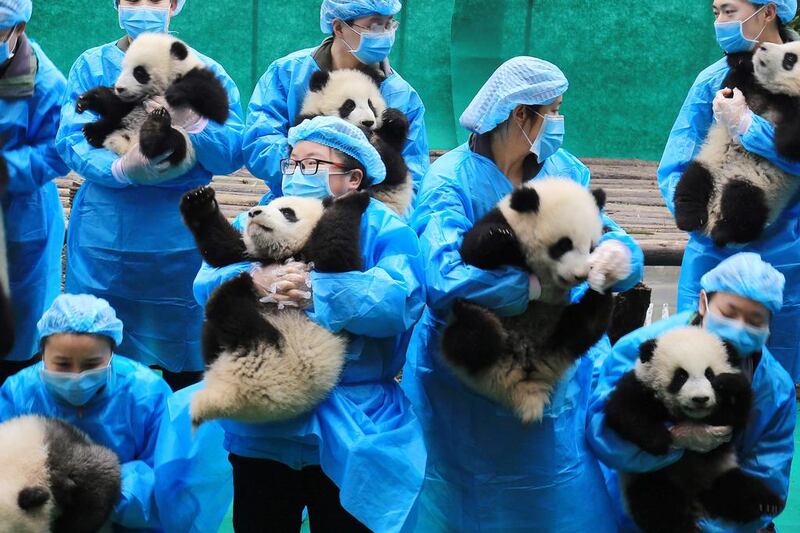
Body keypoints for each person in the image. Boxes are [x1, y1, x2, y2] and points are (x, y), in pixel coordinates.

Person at [400, 56, 644, 531]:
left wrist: (619, 256)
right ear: (520, 115)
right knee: (466, 497)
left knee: (561, 490)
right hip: (470, 376)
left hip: (560, 366)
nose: (559, 122)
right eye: (552, 110)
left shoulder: (562, 169)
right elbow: (443, 277)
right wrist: (529, 286)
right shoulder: (451, 180)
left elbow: (608, 231)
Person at [194, 116, 427, 532]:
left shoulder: (384, 228)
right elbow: (206, 280)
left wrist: (320, 292)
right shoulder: (265, 211)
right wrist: (251, 281)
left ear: (354, 177)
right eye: (291, 162)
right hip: (265, 422)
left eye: (312, 164)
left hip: (354, 419)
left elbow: (400, 300)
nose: (296, 174)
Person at [55, 0, 244, 391]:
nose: (144, 7)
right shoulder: (91, 65)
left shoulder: (203, 70)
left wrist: (195, 122)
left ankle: (177, 447)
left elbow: (230, 150)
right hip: (107, 236)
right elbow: (73, 138)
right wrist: (119, 168)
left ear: (175, 4)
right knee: (100, 360)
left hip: (182, 236)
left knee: (190, 364)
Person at [587, 253, 796, 532]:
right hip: (646, 491)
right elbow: (605, 436)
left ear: (770, 324)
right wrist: (673, 441)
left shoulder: (776, 387)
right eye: (729, 312)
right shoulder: (646, 349)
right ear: (703, 302)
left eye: (755, 320)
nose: (738, 327)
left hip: (717, 488)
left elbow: (768, 470)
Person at [658, 0, 800, 382]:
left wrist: (751, 130)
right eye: (716, 12)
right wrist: (699, 218)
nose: (720, 22)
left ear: (768, 11)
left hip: (786, 254)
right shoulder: (713, 79)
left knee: (774, 376)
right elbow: (677, 162)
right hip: (712, 250)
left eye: (729, 11)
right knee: (694, 367)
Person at [0, 293, 173, 531]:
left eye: (92, 364)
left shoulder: (147, 393)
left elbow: (166, 476)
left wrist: (96, 495)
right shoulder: (18, 393)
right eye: (62, 363)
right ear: (42, 354)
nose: (77, 376)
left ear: (112, 354)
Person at [243, 0, 429, 206]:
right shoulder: (287, 72)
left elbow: (413, 180)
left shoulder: (403, 96)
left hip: (366, 211)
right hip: (289, 203)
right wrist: (314, 165)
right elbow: (259, 145)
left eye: (389, 24)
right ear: (339, 27)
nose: (385, 34)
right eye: (375, 25)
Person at [0, 0, 68, 383]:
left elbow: (57, 152)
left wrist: (7, 169)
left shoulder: (45, 82)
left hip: (20, 220)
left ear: (17, 30)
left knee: (17, 335)